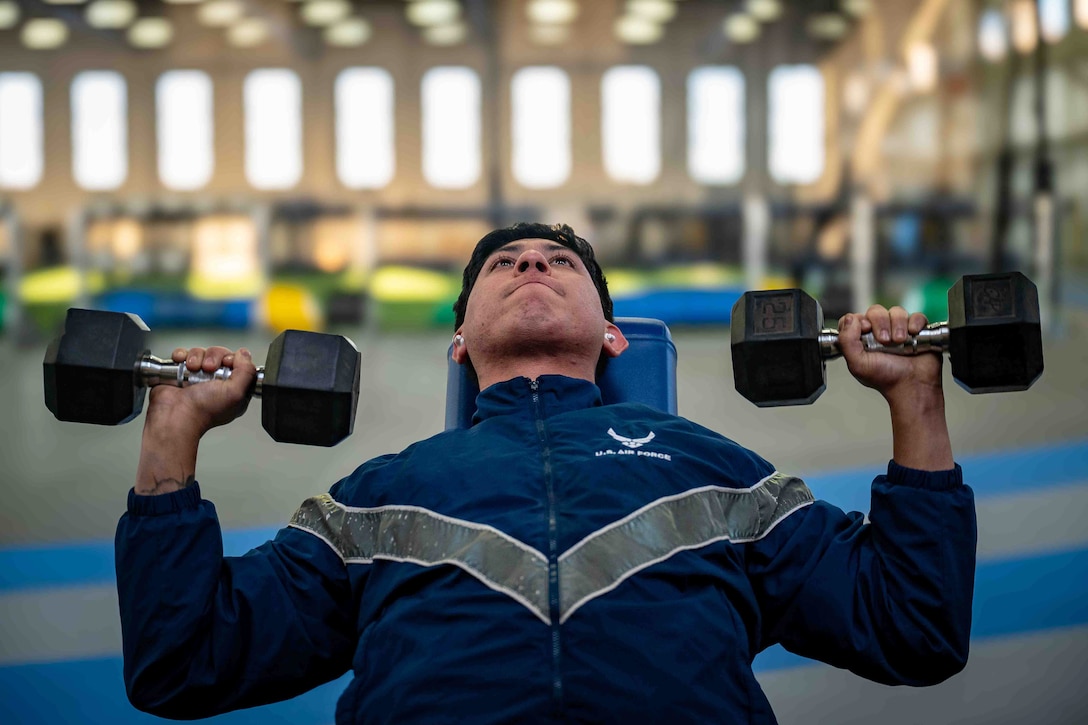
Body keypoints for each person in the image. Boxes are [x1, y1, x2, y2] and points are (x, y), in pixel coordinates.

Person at [116, 222, 975, 724]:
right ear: (460, 341)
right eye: (505, 264)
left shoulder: (716, 469)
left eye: (559, 263)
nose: (532, 265)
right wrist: (173, 429)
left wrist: (914, 400)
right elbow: (183, 657)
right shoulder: (373, 495)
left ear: (612, 335)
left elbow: (910, 626)